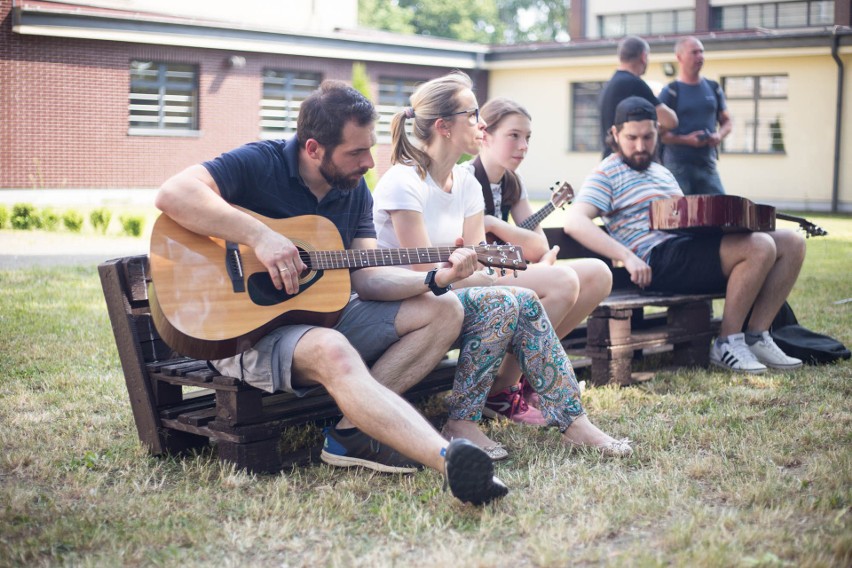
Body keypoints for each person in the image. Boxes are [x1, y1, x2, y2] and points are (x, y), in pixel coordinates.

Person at [154, 80, 508, 506]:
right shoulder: (260, 162)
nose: (367, 163)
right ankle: (449, 461)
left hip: (319, 318)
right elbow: (172, 193)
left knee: (444, 310)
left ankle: (351, 433)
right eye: (355, 153)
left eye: (370, 149)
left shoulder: (354, 191)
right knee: (331, 347)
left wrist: (435, 280)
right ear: (313, 148)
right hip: (243, 327)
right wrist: (261, 237)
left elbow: (368, 278)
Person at [372, 71, 633, 459]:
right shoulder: (402, 182)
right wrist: (483, 274)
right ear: (443, 127)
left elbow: (476, 259)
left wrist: (486, 273)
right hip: (409, 302)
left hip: (451, 294)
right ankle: (478, 415)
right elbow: (423, 275)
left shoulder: (465, 183)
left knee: (517, 298)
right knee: (514, 298)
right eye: (471, 114)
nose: (481, 123)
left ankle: (570, 421)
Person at [563, 96, 805, 374]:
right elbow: (575, 222)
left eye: (648, 136)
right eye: (631, 138)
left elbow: (685, 217)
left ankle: (757, 335)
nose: (640, 146)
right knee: (759, 246)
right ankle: (727, 343)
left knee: (792, 242)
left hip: (688, 247)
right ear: (615, 134)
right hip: (657, 261)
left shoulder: (662, 172)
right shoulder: (606, 173)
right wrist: (627, 258)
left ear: (658, 133)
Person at [464, 97, 613, 425]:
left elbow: (538, 245)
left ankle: (531, 374)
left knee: (598, 274)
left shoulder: (511, 182)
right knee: (560, 282)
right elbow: (480, 253)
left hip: (509, 270)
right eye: (514, 135)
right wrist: (514, 245)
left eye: (528, 137)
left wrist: (493, 224)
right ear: (485, 135)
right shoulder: (467, 179)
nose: (523, 145)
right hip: (478, 280)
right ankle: (502, 392)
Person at [657, 36, 732, 195]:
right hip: (677, 166)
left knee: (719, 213)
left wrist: (718, 135)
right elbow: (659, 134)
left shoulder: (714, 88)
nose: (700, 56)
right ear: (680, 57)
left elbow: (727, 122)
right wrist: (686, 140)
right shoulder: (670, 91)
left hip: (707, 164)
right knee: (681, 216)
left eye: (701, 52)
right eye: (694, 52)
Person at [599, 35, 678, 159]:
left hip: (611, 159)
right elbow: (671, 121)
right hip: (630, 161)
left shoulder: (611, 83)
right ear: (643, 56)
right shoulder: (633, 83)